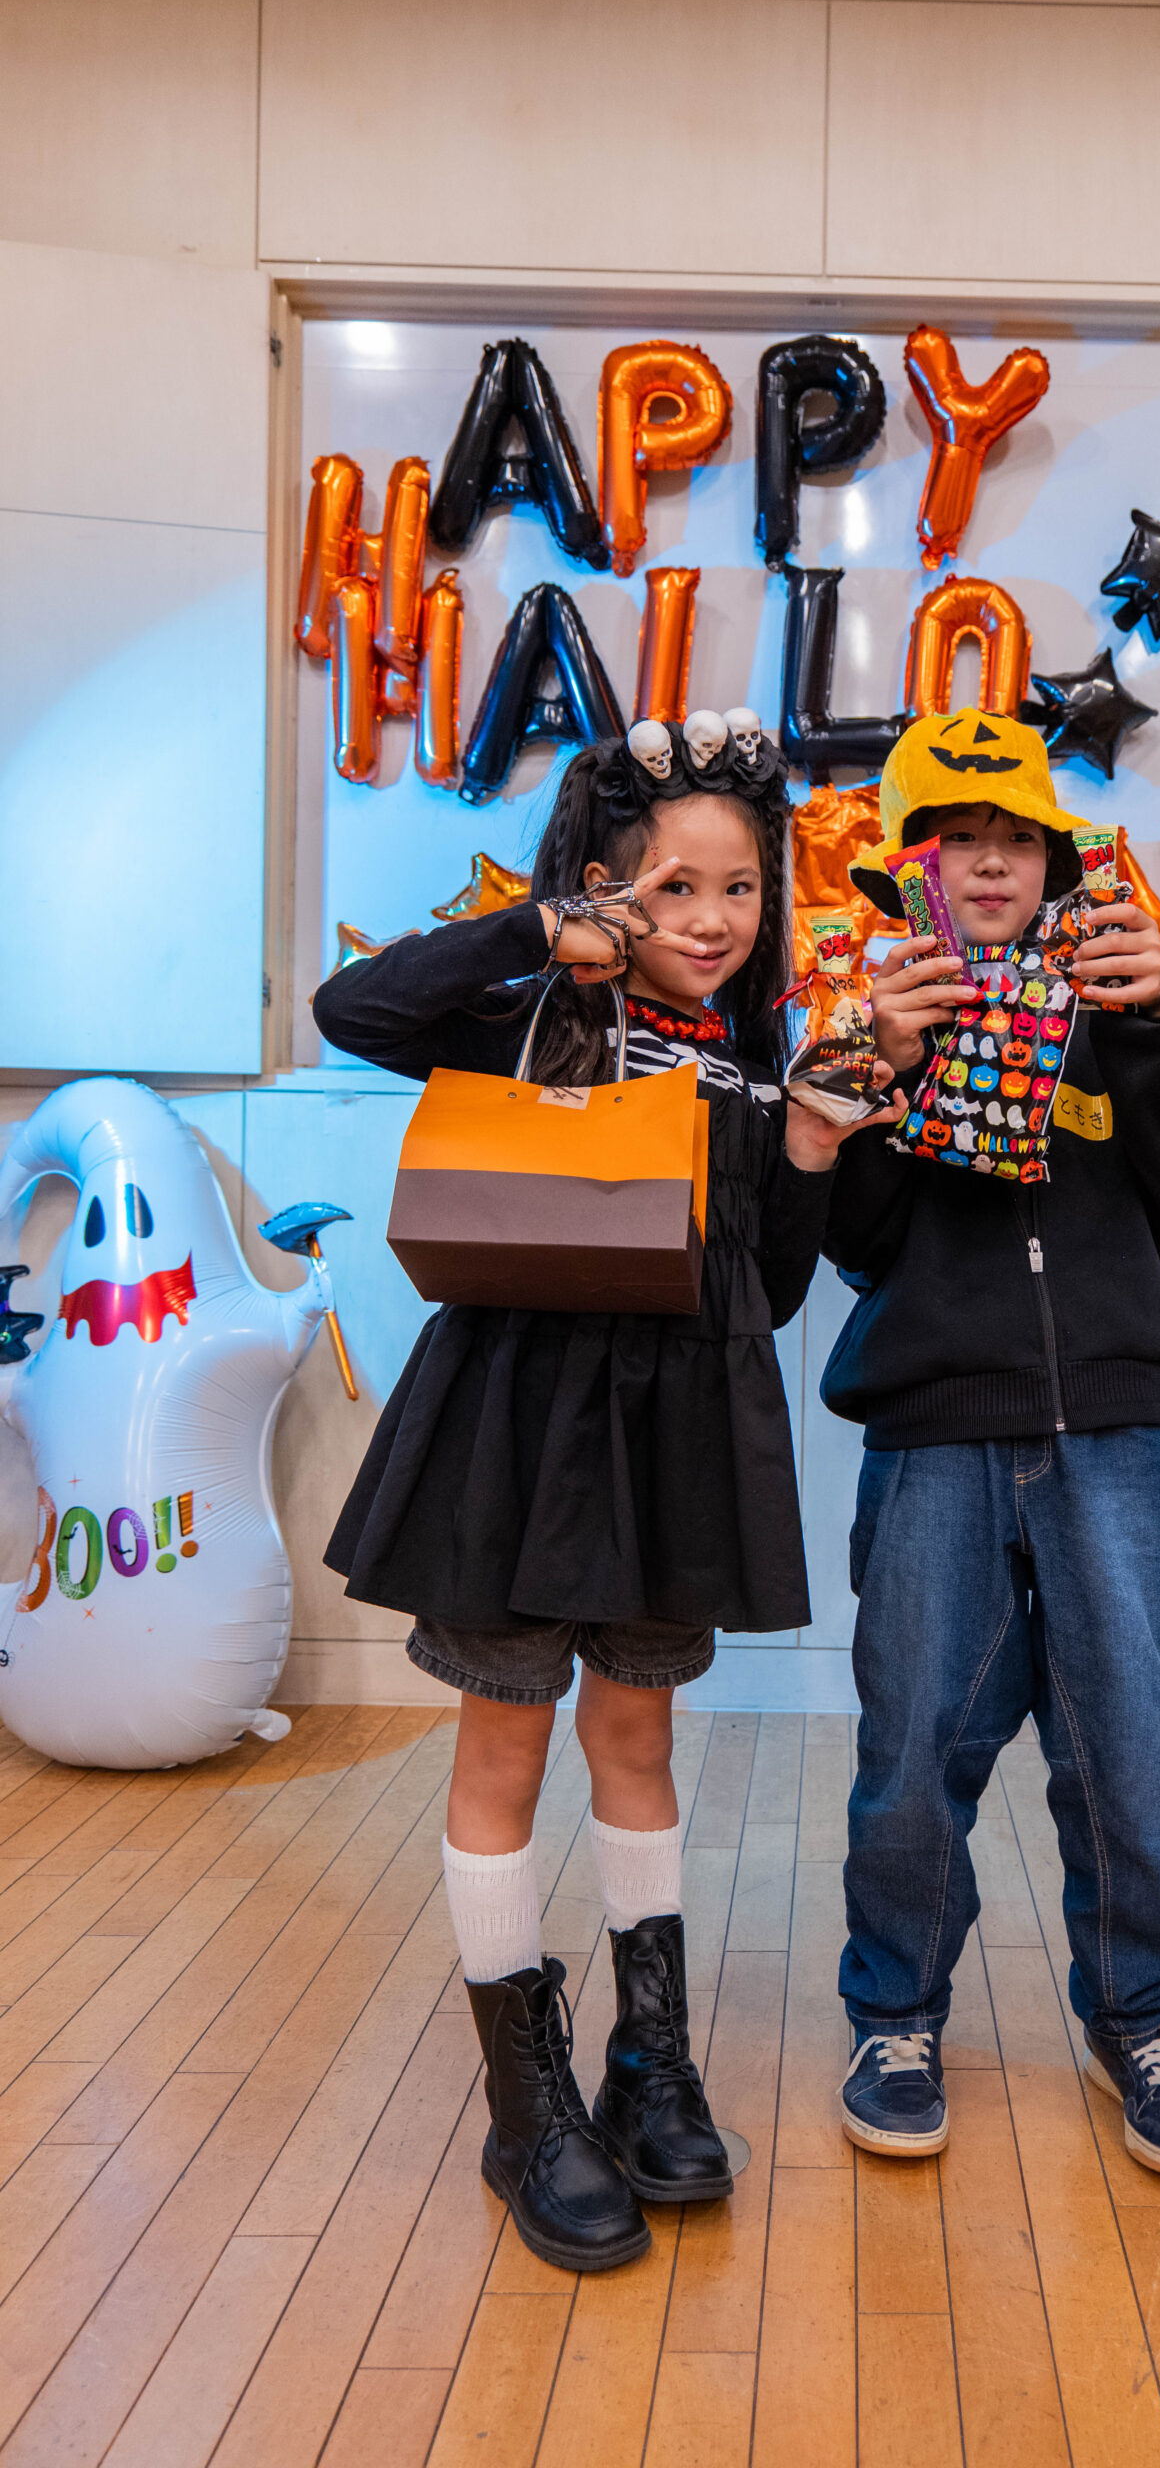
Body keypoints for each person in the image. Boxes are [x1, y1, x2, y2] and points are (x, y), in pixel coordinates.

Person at [314, 718, 893, 2271]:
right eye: (674, 887)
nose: (711, 920)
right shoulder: (533, 1018)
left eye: (740, 890)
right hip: (515, 1429)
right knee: (504, 1743)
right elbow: (351, 1006)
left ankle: (650, 2064)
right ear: (605, 883)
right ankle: (526, 2108)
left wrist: (813, 1147)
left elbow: (767, 1294)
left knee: (636, 1739)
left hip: (676, 1437)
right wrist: (538, 931)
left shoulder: (762, 1066)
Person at [821, 708, 1160, 2175]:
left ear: (1056, 862)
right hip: (934, 1434)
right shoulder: (865, 1017)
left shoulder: (1117, 1004)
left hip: (1118, 1435)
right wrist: (879, 1070)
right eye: (958, 839)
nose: (992, 863)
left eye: (1017, 837)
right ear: (910, 869)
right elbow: (849, 1238)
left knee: (1135, 1748)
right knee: (911, 1753)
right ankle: (894, 2018)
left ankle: (1145, 2017)